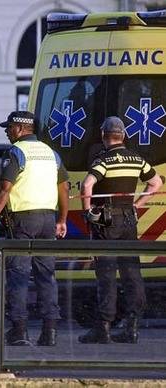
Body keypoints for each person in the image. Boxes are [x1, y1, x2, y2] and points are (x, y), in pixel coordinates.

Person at [0, 110, 69, 347]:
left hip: (22, 221)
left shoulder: (16, 152)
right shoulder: (51, 153)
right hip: (48, 220)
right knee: (46, 275)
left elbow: (5, 188)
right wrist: (62, 219)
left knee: (19, 275)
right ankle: (50, 331)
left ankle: (20, 330)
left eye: (8, 127)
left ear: (20, 129)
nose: (6, 131)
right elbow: (63, 188)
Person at [78, 117, 163, 344]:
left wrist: (88, 212)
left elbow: (87, 185)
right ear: (123, 135)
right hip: (128, 218)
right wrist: (138, 204)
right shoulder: (137, 159)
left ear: (104, 136)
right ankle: (131, 326)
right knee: (131, 272)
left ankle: (104, 327)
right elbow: (156, 183)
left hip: (106, 219)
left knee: (106, 272)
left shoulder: (103, 159)